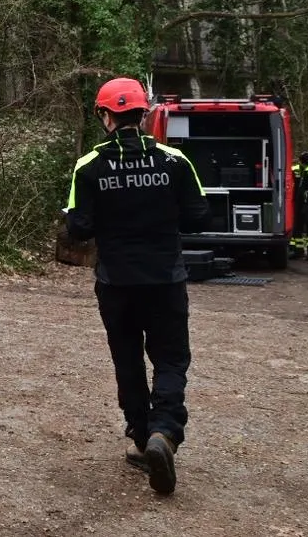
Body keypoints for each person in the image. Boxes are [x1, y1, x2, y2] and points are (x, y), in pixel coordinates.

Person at [64, 77, 209, 497]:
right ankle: (165, 431)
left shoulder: (88, 165)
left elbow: (78, 228)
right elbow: (199, 215)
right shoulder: (175, 161)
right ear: (143, 115)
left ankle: (144, 438)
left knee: (127, 359)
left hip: (117, 282)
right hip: (165, 278)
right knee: (170, 358)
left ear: (105, 116)